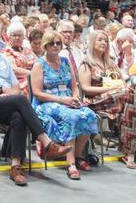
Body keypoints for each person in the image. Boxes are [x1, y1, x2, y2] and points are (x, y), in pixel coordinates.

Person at [0, 22, 72, 186]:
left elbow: (15, 86)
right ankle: (47, 142)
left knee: (18, 116)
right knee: (21, 99)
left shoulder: (2, 58)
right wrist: (1, 90)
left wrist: (8, 92)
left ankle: (15, 167)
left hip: (5, 102)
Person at [78, 30, 136, 169]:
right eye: (100, 40)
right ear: (92, 42)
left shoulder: (111, 63)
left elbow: (123, 84)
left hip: (118, 100)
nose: (104, 43)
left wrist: (117, 90)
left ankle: (129, 153)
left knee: (129, 104)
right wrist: (110, 90)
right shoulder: (87, 63)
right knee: (128, 95)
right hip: (96, 101)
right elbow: (86, 88)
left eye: (105, 40)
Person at [30, 30, 98, 180]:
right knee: (71, 117)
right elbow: (37, 93)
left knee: (88, 114)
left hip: (67, 100)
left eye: (58, 43)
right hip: (46, 102)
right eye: (51, 43)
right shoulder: (39, 65)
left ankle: (79, 156)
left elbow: (74, 86)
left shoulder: (65, 62)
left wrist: (75, 97)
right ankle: (70, 162)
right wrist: (62, 100)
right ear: (45, 46)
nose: (55, 46)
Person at [3, 22, 36, 93]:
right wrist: (34, 73)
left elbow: (38, 62)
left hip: (34, 77)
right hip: (19, 82)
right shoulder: (7, 52)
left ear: (23, 36)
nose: (17, 38)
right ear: (9, 37)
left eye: (19, 35)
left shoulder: (27, 49)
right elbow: (14, 70)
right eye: (14, 35)